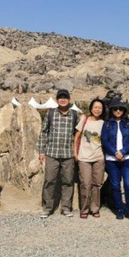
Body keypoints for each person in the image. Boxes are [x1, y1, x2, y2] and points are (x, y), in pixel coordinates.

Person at [38, 89, 81, 218]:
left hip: (68, 154)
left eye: (65, 97)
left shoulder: (74, 115)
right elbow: (44, 132)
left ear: (69, 99)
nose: (63, 100)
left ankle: (66, 208)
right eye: (60, 97)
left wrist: (77, 153)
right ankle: (47, 208)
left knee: (68, 181)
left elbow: (78, 135)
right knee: (49, 181)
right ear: (57, 100)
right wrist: (41, 151)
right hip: (52, 153)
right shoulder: (50, 113)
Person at [100, 97, 129, 220]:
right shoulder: (107, 124)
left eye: (120, 109)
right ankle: (119, 208)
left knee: (128, 185)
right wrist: (115, 152)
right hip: (112, 159)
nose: (118, 111)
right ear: (111, 110)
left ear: (123, 110)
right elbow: (104, 140)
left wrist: (123, 151)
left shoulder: (128, 123)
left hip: (126, 158)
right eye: (115, 109)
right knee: (115, 185)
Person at [73, 98, 105, 218]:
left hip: (98, 157)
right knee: (85, 183)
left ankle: (95, 207)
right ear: (91, 108)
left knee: (96, 184)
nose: (97, 109)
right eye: (96, 107)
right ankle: (84, 208)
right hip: (84, 157)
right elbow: (76, 137)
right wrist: (75, 153)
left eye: (100, 108)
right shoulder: (84, 119)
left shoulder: (103, 123)